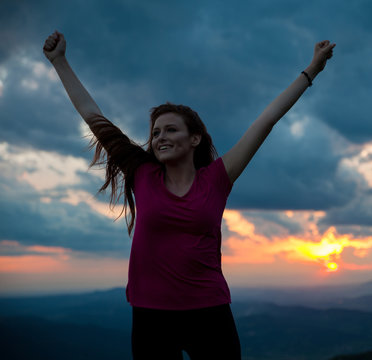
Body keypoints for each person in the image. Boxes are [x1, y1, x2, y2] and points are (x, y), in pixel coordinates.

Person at [43, 30, 335, 360]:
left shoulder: (217, 179)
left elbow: (267, 120)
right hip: (150, 315)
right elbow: (93, 116)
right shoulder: (142, 174)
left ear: (194, 139)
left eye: (170, 129)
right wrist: (60, 62)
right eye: (154, 133)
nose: (159, 138)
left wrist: (312, 70)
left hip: (209, 312)